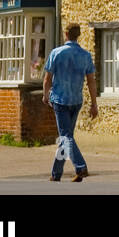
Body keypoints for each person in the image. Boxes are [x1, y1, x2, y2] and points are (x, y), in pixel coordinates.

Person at [41, 23, 97, 183]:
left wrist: (46, 95)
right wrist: (94, 103)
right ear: (78, 35)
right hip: (76, 99)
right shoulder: (85, 55)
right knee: (67, 137)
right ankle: (56, 173)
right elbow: (91, 81)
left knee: (65, 137)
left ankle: (81, 167)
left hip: (60, 99)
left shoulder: (56, 53)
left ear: (66, 34)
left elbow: (47, 78)